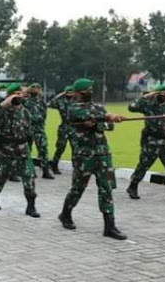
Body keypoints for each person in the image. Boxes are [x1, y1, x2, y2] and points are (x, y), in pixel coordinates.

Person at [58, 78, 127, 240]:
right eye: (84, 92)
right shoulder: (73, 108)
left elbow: (108, 126)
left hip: (102, 154)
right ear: (76, 94)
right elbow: (88, 117)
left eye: (89, 90)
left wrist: (110, 120)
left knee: (106, 188)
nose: (88, 94)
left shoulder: (99, 107)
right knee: (78, 188)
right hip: (84, 155)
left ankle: (110, 226)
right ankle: (65, 214)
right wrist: (107, 116)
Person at [127, 84, 165, 206]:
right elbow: (131, 107)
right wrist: (146, 96)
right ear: (156, 94)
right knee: (143, 165)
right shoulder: (148, 106)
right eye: (162, 93)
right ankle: (133, 186)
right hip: (151, 142)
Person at [0, 83, 40, 218]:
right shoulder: (3, 111)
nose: (19, 95)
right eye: (15, 93)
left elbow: (29, 130)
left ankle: (31, 205)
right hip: (7, 148)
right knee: (2, 176)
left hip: (23, 149)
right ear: (9, 96)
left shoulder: (25, 112)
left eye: (20, 93)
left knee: (29, 176)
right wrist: (4, 104)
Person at [24, 83, 54, 179]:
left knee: (43, 150)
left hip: (39, 129)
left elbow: (44, 114)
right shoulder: (25, 101)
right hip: (28, 129)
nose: (36, 90)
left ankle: (45, 171)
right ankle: (30, 170)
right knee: (27, 150)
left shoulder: (41, 102)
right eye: (33, 88)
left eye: (37, 88)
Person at [50, 86, 74, 174]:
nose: (69, 94)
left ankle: (77, 168)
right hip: (64, 127)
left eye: (71, 92)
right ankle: (54, 165)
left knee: (76, 148)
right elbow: (51, 103)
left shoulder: (77, 102)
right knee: (60, 148)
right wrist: (60, 95)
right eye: (68, 92)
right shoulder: (61, 102)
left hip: (74, 127)